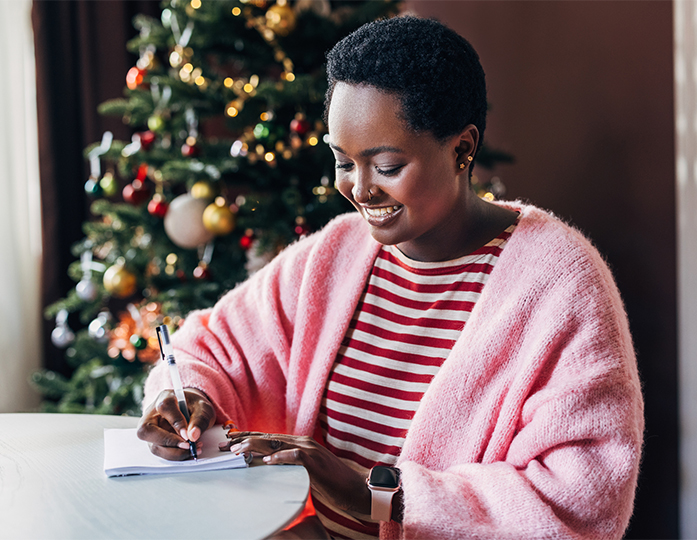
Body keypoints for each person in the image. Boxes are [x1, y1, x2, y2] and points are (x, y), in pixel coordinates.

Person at [138, 15, 644, 540]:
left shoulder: (560, 287)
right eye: (342, 160)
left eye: (385, 165)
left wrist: (377, 492)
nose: (360, 189)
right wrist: (188, 395)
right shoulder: (335, 253)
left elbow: (582, 500)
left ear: (462, 150)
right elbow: (210, 347)